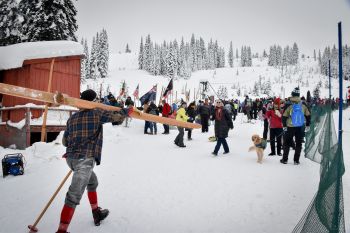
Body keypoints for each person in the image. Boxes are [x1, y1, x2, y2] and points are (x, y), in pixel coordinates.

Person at [56, 89, 131, 233]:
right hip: (84, 160)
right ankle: (61, 230)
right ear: (93, 101)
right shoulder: (97, 113)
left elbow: (65, 142)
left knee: (92, 182)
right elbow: (117, 117)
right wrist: (127, 111)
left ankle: (96, 212)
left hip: (71, 159)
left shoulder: (72, 118)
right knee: (74, 195)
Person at [280, 87, 311, 165]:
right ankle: (296, 160)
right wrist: (307, 124)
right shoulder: (303, 104)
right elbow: (308, 115)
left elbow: (284, 116)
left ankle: (285, 159)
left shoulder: (288, 103)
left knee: (286, 143)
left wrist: (284, 125)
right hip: (300, 126)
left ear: (292, 94)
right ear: (299, 95)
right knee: (299, 143)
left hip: (290, 126)